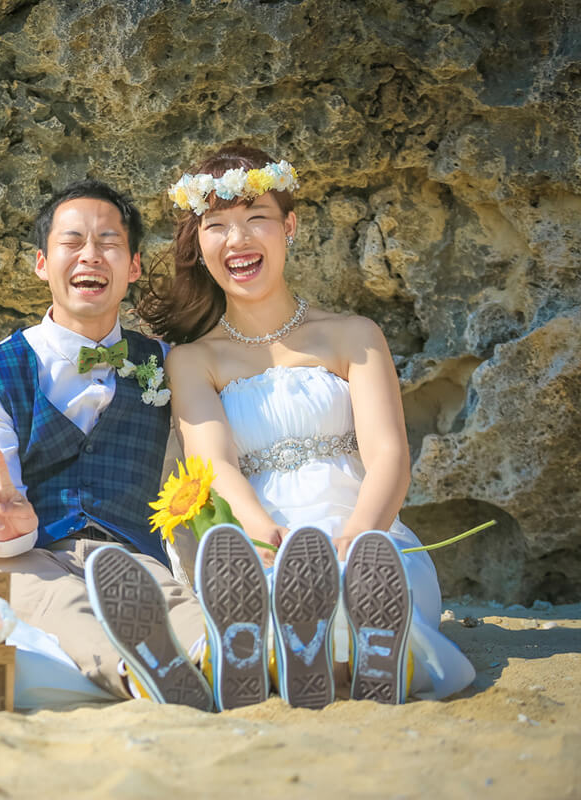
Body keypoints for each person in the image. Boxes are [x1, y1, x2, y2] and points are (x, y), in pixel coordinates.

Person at [137, 143, 476, 703]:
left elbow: (389, 454)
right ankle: (306, 652)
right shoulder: (194, 360)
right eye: (217, 225)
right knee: (278, 591)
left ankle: (349, 646)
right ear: (199, 243)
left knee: (360, 585)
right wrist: (262, 535)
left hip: (364, 533)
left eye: (256, 220)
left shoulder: (353, 335)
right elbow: (213, 462)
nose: (238, 240)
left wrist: (356, 537)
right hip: (267, 541)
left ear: (289, 226)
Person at [0, 179, 213, 709]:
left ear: (134, 266)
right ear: (42, 263)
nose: (90, 255)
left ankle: (222, 658)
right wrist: (8, 529)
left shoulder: (168, 363)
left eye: (108, 242)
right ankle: (139, 675)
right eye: (72, 241)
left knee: (170, 599)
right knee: (58, 601)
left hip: (130, 551)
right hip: (27, 557)